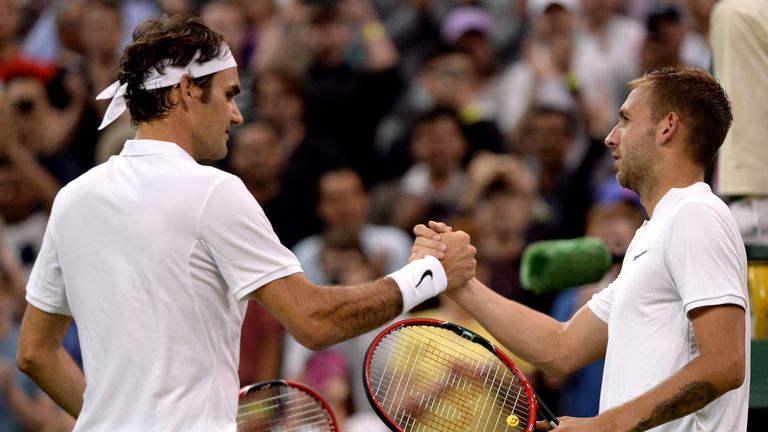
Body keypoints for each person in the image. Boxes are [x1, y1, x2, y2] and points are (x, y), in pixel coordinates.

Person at [14, 14, 476, 431]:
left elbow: (35, 353)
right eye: (230, 94)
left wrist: (110, 419)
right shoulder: (213, 190)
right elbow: (314, 321)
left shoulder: (72, 199)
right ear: (188, 89)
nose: (237, 113)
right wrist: (429, 273)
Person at [413, 66, 749, 431]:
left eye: (624, 120)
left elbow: (725, 363)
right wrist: (461, 284)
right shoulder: (654, 233)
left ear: (667, 127)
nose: (610, 137)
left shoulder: (695, 214)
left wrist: (606, 425)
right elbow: (561, 347)